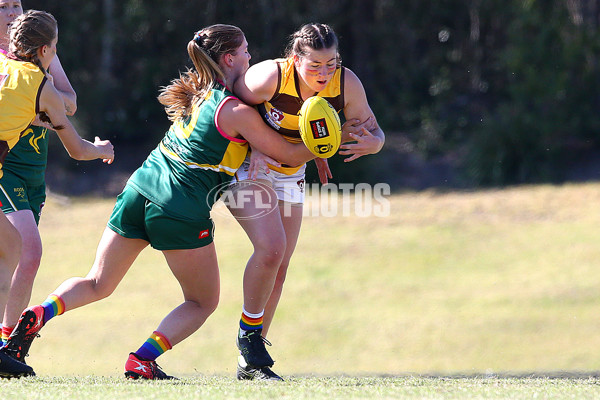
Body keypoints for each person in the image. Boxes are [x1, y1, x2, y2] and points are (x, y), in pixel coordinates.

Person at [2, 23, 319, 380]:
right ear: (229, 58)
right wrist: (328, 140)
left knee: (97, 283)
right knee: (202, 302)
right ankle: (142, 359)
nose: (251, 56)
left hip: (139, 188)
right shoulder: (235, 111)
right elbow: (288, 154)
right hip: (178, 205)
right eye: (245, 50)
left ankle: (40, 314)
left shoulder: (197, 93)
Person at [229, 22, 385, 381]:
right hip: (250, 169)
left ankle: (250, 362)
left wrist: (372, 143)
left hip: (290, 173)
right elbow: (229, 103)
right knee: (271, 251)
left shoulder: (346, 82)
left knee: (280, 268)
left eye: (330, 63)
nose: (324, 72)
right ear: (294, 58)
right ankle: (247, 339)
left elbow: (374, 130)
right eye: (314, 65)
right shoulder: (270, 76)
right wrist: (250, 143)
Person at [0, 9, 114, 378]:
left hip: (20, 170)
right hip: (9, 172)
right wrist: (102, 149)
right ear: (47, 51)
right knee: (15, 251)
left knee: (11, 252)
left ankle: (3, 348)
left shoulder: (12, 73)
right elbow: (78, 150)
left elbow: (68, 101)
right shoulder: (40, 87)